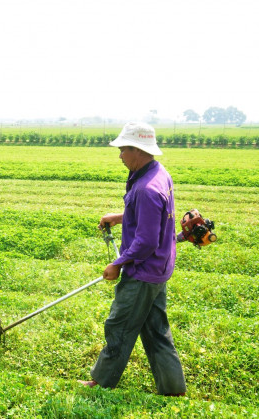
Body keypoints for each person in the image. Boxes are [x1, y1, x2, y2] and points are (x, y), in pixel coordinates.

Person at [78, 122, 186, 396]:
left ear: (137, 150)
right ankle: (173, 390)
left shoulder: (146, 189)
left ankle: (101, 382)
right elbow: (152, 217)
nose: (120, 156)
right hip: (158, 269)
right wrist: (119, 216)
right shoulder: (158, 174)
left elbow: (147, 241)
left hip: (143, 272)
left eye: (123, 150)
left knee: (120, 325)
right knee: (155, 330)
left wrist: (117, 263)